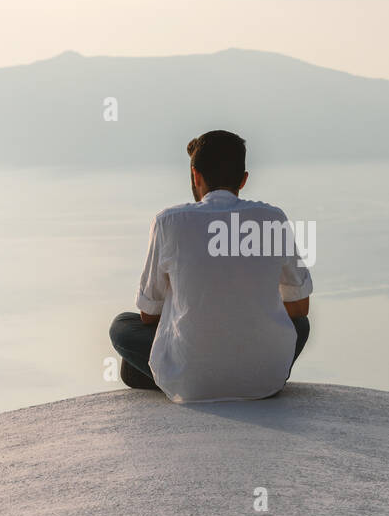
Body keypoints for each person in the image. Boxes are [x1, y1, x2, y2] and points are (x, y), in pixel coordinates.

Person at [109, 130, 312, 403]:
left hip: (193, 378)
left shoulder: (169, 222)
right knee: (301, 326)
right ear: (243, 179)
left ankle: (156, 374)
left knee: (122, 326)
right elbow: (300, 309)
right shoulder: (273, 220)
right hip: (265, 380)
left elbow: (148, 316)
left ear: (195, 175)